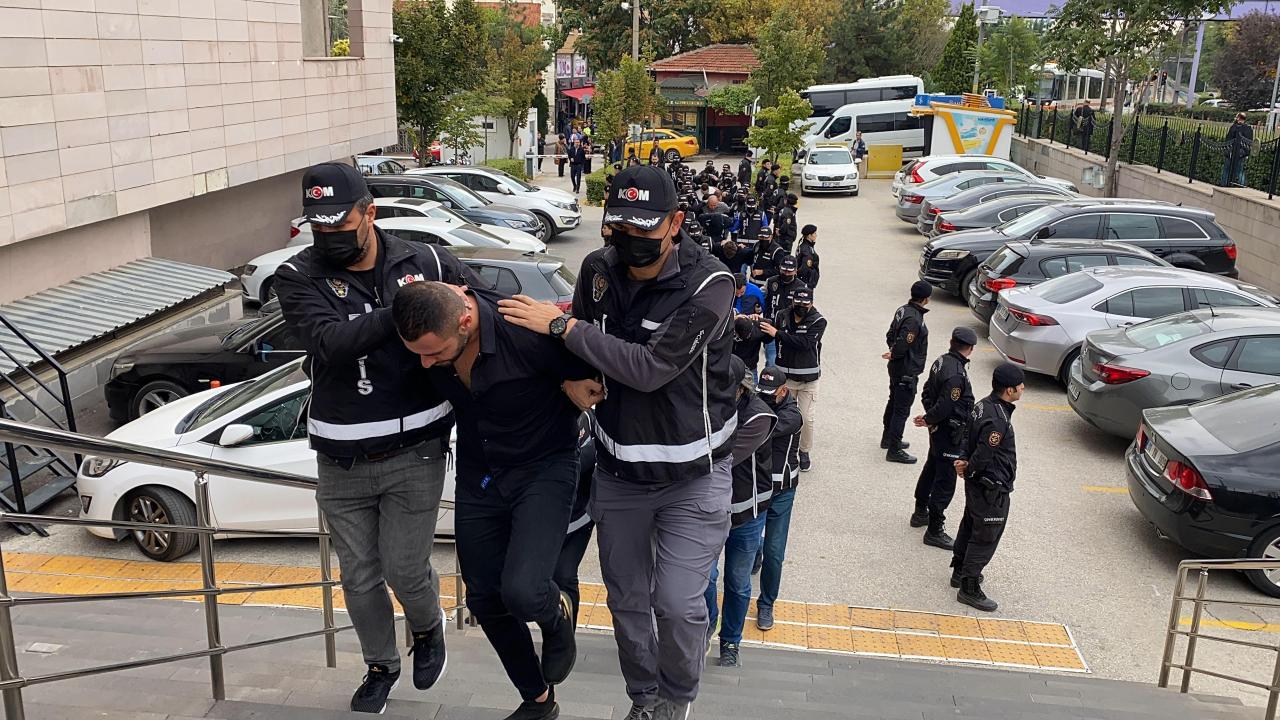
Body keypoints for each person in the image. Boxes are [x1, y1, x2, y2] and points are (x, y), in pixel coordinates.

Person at [498, 164, 737, 720]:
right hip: (618, 473)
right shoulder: (597, 270)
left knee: (677, 605)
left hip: (693, 477)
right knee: (627, 603)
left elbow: (650, 369)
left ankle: (675, 698)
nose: (630, 241)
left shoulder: (710, 285)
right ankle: (643, 699)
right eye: (619, 228)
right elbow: (582, 349)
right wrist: (568, 377)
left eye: (643, 230)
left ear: (676, 223)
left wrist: (561, 326)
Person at [275, 162, 477, 714]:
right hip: (340, 456)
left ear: (370, 212)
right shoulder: (297, 276)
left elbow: (477, 305)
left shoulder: (426, 259)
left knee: (404, 566)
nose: (328, 236)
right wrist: (410, 310)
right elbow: (329, 343)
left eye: (339, 223)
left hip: (417, 449)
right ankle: (381, 665)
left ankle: (427, 626)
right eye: (318, 225)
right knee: (359, 576)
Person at [393, 282, 592, 720]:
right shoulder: (431, 322)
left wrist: (581, 383)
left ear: (465, 321)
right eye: (419, 354)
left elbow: (598, 372)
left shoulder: (525, 331)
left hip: (544, 467)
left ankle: (557, 613)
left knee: (523, 592)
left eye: (434, 353)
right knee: (484, 598)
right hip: (480, 473)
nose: (425, 363)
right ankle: (537, 700)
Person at [706, 355, 777, 669]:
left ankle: (730, 642)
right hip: (709, 511)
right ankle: (708, 625)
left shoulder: (759, 416)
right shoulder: (708, 406)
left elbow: (724, 457)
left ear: (741, 389)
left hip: (747, 515)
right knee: (704, 577)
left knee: (737, 582)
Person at [951, 362, 1024, 613]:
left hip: (977, 484)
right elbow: (983, 453)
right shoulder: (998, 420)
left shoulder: (982, 405)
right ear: (1009, 390)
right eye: (1020, 386)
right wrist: (969, 468)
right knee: (985, 536)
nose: (1023, 389)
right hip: (990, 488)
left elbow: (967, 434)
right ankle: (969, 587)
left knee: (971, 524)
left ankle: (959, 570)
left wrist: (963, 461)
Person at [910, 327, 977, 552]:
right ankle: (934, 529)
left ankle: (920, 511)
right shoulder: (956, 374)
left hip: (940, 430)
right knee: (945, 480)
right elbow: (946, 405)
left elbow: (927, 392)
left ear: (951, 341)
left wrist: (930, 419)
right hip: (950, 433)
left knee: (931, 468)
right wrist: (931, 419)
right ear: (971, 349)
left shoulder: (941, 361)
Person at [752, 366, 802, 631]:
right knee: (750, 543)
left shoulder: (792, 416)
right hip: (755, 489)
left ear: (784, 391)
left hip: (782, 492)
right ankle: (756, 553)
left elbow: (762, 428)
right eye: (762, 392)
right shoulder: (759, 402)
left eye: (771, 394)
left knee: (774, 552)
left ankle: (766, 603)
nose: (766, 397)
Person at [761, 288, 823, 473]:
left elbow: (804, 344)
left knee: (805, 418)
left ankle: (804, 451)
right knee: (780, 415)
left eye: (805, 303)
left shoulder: (819, 321)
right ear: (792, 302)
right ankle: (778, 449)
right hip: (785, 380)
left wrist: (777, 334)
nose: (801, 306)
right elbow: (769, 335)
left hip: (807, 380)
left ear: (811, 303)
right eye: (798, 303)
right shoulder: (782, 315)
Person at [881, 281, 931, 465]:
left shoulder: (903, 310)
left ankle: (888, 438)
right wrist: (895, 353)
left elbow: (890, 335)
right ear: (926, 299)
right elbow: (904, 343)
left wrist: (892, 351)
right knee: (901, 410)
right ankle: (894, 449)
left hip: (897, 367)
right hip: (906, 370)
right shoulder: (914, 320)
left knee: (893, 401)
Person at [1222, 112, 1254, 187]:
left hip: (1235, 152)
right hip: (1240, 153)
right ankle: (1241, 186)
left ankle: (1225, 184)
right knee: (1239, 171)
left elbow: (1228, 139)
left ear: (1238, 118)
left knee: (1229, 170)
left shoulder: (1234, 127)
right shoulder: (1248, 128)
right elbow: (1249, 142)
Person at [795, 224, 820, 290]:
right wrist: (807, 284)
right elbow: (805, 268)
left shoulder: (804, 246)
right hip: (806, 282)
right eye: (814, 233)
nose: (816, 235)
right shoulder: (807, 250)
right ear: (809, 236)